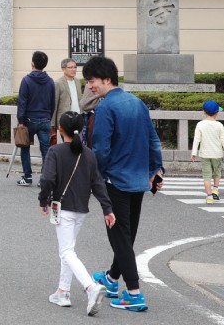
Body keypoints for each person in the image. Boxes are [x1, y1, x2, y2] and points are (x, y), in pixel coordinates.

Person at [83, 55, 163, 313]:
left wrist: (95, 178)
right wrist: (156, 170)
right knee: (125, 236)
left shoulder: (107, 108)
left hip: (114, 181)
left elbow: (102, 150)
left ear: (107, 79)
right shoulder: (137, 103)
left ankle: (134, 294)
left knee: (120, 237)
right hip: (138, 180)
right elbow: (153, 139)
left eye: (92, 81)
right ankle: (110, 279)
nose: (90, 86)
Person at [38, 110, 115, 314]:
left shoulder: (55, 151)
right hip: (81, 209)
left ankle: (90, 287)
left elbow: (47, 179)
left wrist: (43, 199)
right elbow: (97, 183)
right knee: (68, 249)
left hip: (63, 208)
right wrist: (107, 208)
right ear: (81, 130)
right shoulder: (88, 154)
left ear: (60, 129)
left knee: (66, 251)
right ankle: (62, 291)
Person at [16, 51, 55, 186]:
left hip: (29, 120)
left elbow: (22, 102)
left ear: (32, 63)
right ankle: (44, 179)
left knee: (25, 147)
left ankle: (27, 177)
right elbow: (52, 103)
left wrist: (20, 121)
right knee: (46, 150)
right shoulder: (50, 82)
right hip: (45, 120)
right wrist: (48, 117)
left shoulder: (26, 80)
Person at [190, 100, 224, 204]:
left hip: (204, 154)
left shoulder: (200, 124)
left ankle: (209, 196)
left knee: (206, 176)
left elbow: (197, 139)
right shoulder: (220, 125)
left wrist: (194, 152)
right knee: (217, 173)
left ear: (204, 112)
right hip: (217, 154)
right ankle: (215, 190)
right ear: (217, 113)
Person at [54, 57, 85, 137]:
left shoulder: (78, 82)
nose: (73, 69)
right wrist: (53, 124)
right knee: (68, 144)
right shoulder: (58, 83)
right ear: (63, 69)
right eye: (70, 67)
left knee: (78, 143)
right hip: (65, 118)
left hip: (78, 117)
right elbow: (55, 104)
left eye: (75, 67)